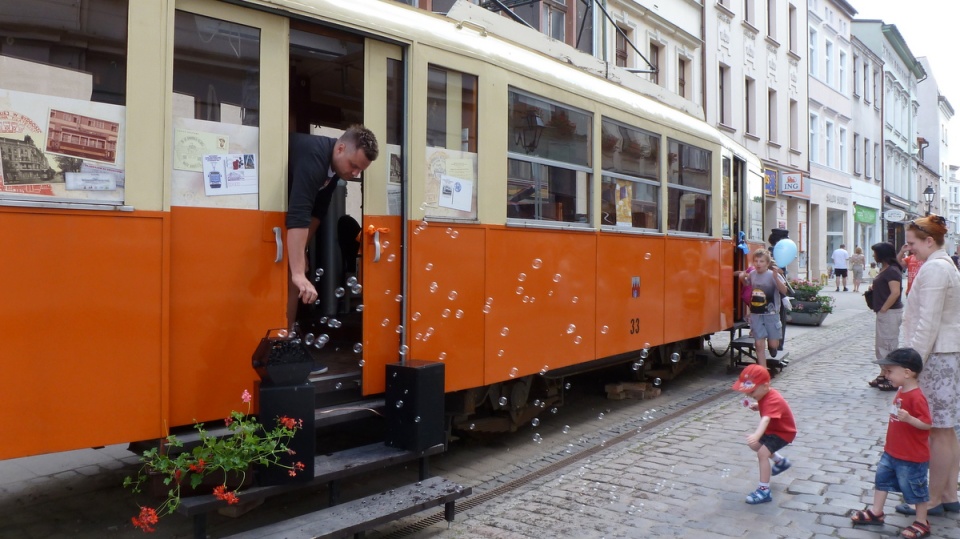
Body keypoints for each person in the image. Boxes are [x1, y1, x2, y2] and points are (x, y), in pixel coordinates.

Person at [287, 126, 379, 372]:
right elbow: (299, 213)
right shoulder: (314, 156)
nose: (355, 172)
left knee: (292, 278)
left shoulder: (336, 168)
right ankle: (286, 351)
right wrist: (297, 272)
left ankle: (289, 347)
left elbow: (317, 212)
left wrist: (303, 251)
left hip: (293, 228)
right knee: (291, 279)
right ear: (340, 148)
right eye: (353, 165)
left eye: (360, 169)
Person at [896, 214, 960, 519]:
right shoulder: (943, 265)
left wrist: (912, 364)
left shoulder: (935, 268)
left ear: (929, 241)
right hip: (944, 354)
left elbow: (927, 323)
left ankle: (933, 498)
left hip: (935, 356)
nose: (909, 251)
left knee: (937, 430)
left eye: (912, 243)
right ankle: (949, 494)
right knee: (946, 429)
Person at [851, 348, 932, 539]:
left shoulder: (916, 397)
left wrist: (911, 419)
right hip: (892, 451)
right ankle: (876, 512)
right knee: (882, 481)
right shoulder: (901, 391)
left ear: (907, 372)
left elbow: (927, 424)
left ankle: (922, 521)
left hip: (912, 456)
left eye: (889, 371)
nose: (886, 375)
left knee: (916, 489)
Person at [731, 364, 796, 505]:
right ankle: (780, 461)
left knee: (762, 454)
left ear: (765, 386)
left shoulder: (772, 398)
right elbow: (767, 408)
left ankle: (764, 490)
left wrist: (756, 434)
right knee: (755, 445)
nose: (749, 395)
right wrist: (758, 406)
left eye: (752, 392)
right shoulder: (765, 396)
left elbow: (766, 419)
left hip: (783, 432)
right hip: (773, 431)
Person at [738, 249, 789, 368]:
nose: (758, 264)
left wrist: (776, 278)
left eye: (761, 261)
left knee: (772, 343)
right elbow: (747, 284)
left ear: (767, 263)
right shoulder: (753, 274)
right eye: (756, 261)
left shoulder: (773, 275)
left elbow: (784, 291)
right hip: (757, 314)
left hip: (771, 313)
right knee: (759, 344)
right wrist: (741, 278)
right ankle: (763, 372)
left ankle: (773, 347)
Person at [867, 242, 903, 392]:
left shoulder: (892, 271)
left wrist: (884, 308)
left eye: (875, 252)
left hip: (889, 312)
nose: (874, 255)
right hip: (884, 312)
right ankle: (884, 372)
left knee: (888, 344)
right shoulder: (886, 269)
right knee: (881, 344)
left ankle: (891, 377)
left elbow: (895, 292)